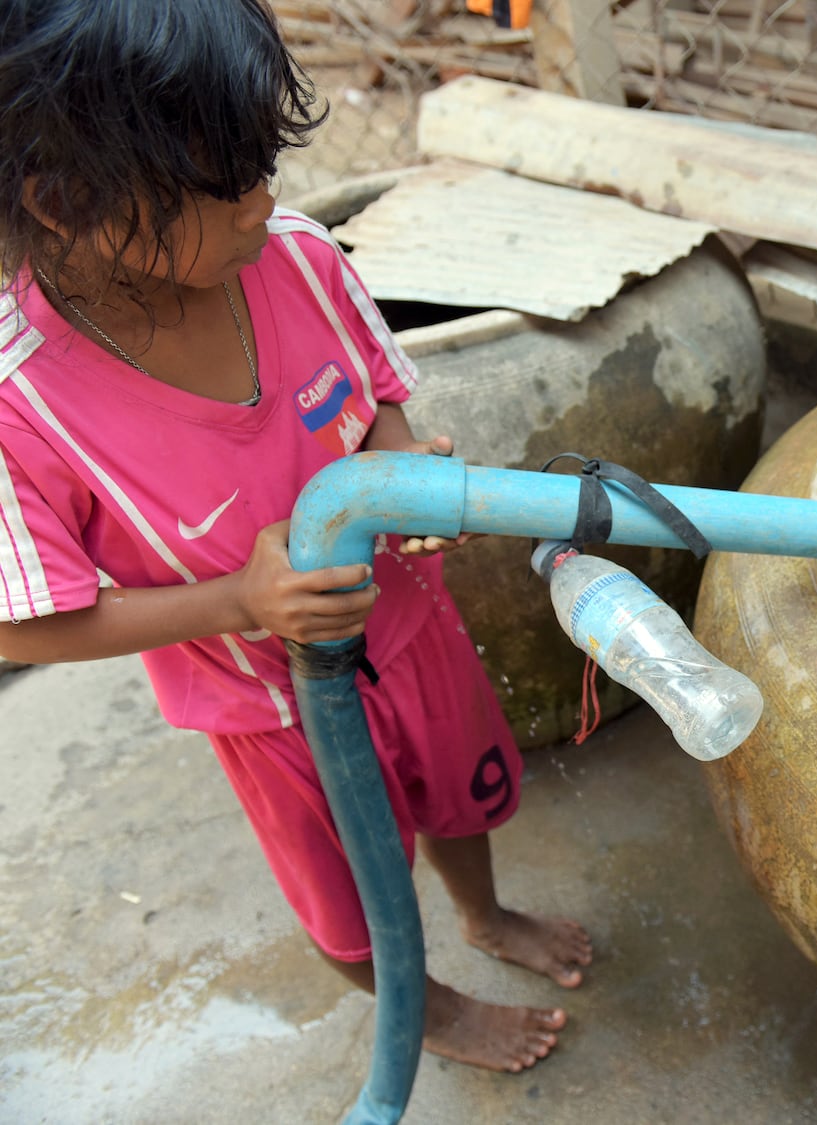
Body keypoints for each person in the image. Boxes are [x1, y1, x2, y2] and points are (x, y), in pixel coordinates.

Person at [0, 0, 591, 1076]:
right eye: (225, 181)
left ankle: (483, 913)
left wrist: (404, 472)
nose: (263, 201)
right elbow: (20, 627)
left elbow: (373, 399)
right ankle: (426, 1008)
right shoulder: (22, 404)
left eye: (263, 160)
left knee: (460, 796)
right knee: (349, 898)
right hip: (270, 710)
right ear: (65, 200)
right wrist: (239, 602)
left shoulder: (302, 259)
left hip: (409, 632)